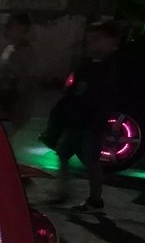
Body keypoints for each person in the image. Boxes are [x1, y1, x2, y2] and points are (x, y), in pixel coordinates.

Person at [48, 20, 123, 213]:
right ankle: (64, 192)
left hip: (93, 122)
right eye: (90, 39)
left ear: (111, 41)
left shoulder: (113, 66)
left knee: (91, 161)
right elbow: (75, 88)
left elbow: (106, 96)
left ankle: (95, 199)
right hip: (77, 118)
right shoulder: (87, 63)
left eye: (97, 39)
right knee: (64, 153)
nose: (92, 43)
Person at [0, 12, 36, 134]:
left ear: (22, 29)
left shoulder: (25, 54)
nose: (7, 29)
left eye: (11, 25)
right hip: (3, 107)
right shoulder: (10, 49)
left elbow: (23, 84)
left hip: (11, 110)